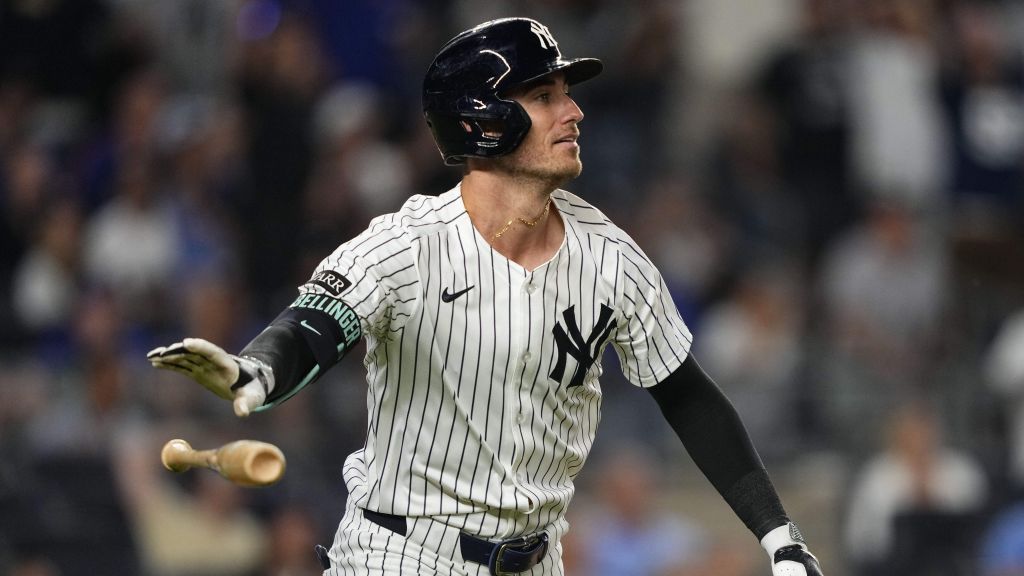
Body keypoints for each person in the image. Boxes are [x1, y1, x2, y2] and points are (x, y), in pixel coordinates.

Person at [148, 17, 823, 576]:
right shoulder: (409, 244)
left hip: (537, 561)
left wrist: (779, 536)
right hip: (402, 556)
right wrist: (256, 371)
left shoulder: (610, 255)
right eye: (545, 96)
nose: (573, 110)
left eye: (566, 92)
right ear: (484, 121)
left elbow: (686, 395)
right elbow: (316, 324)